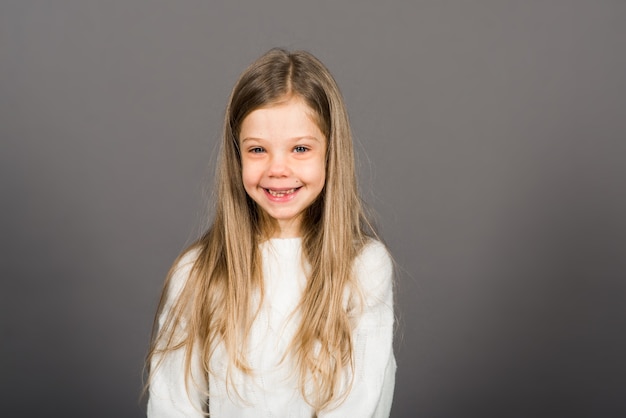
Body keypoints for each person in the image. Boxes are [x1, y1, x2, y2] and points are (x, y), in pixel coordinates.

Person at [146, 48, 395, 417]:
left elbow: (358, 402)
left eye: (299, 148)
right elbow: (171, 404)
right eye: (258, 149)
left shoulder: (363, 269)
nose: (278, 169)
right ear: (237, 157)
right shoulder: (197, 272)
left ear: (330, 153)